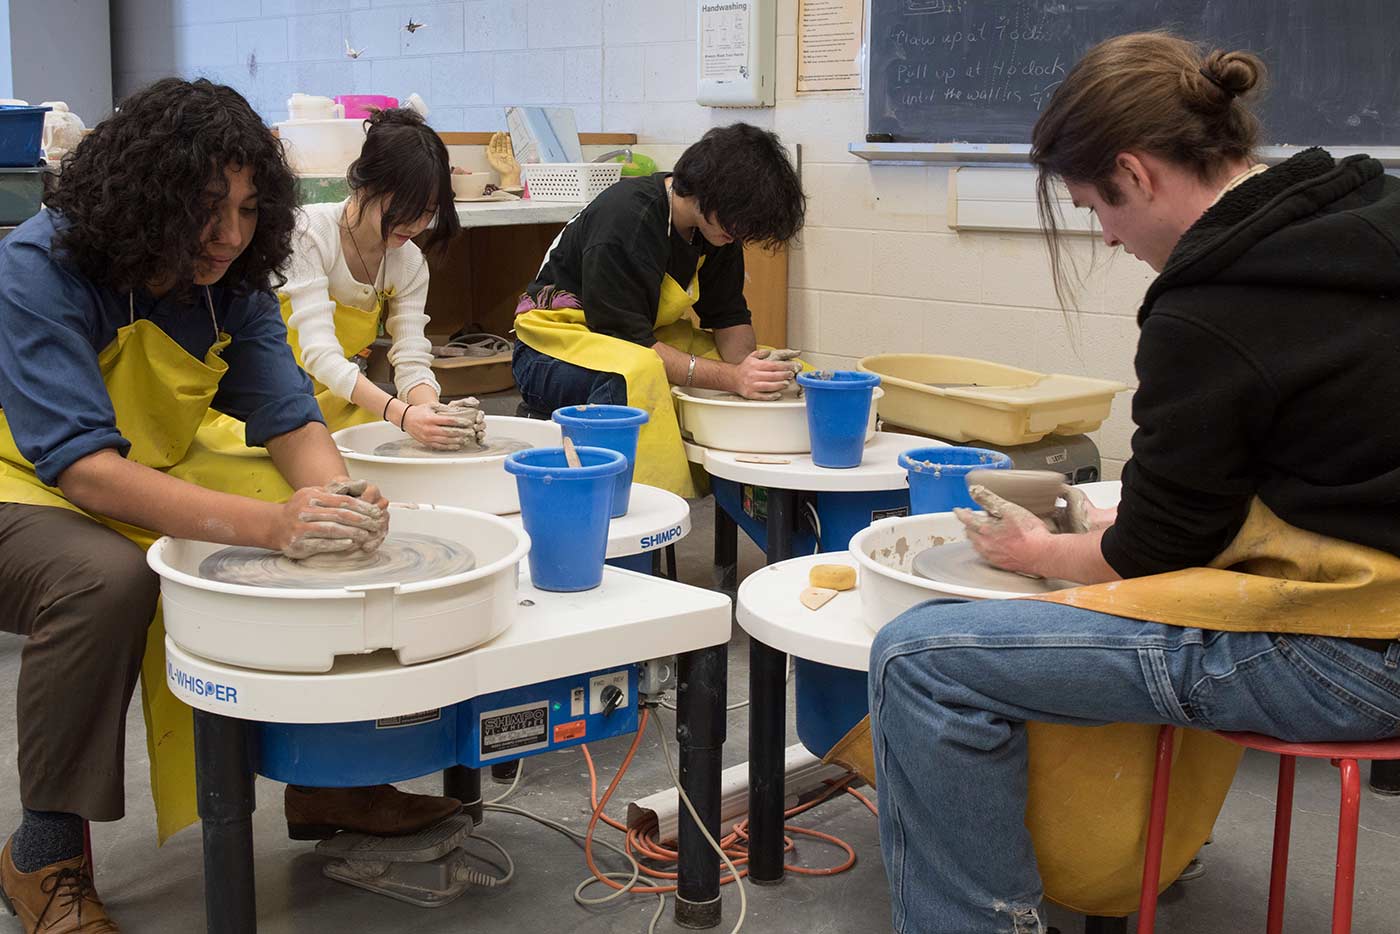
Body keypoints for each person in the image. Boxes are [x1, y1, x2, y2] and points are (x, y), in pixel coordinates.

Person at [865, 34, 1400, 933]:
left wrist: (1039, 551)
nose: (1107, 238)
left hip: (1358, 656)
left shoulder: (1213, 307)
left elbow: (1156, 550)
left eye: (1096, 209)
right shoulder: (1369, 212)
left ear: (1136, 173)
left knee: (921, 660)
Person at [0, 79, 399, 932]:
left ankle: (336, 784)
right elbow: (83, 470)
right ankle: (43, 852)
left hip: (147, 458)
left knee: (331, 530)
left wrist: (339, 500)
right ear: (146, 195)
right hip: (22, 477)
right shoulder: (42, 265)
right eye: (207, 208)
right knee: (101, 582)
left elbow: (288, 417)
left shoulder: (232, 278)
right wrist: (272, 525)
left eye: (251, 209)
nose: (229, 235)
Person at [511, 123, 807, 497]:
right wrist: (733, 379)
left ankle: (755, 499)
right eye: (739, 222)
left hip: (637, 336)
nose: (741, 235)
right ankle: (630, 506)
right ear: (710, 192)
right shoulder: (627, 217)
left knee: (789, 377)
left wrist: (755, 371)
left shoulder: (719, 228)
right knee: (637, 375)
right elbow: (627, 341)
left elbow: (728, 317)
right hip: (551, 350)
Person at [278, 108, 482, 449]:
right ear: (366, 184)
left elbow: (411, 357)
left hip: (340, 401)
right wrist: (402, 415)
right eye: (404, 207)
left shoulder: (409, 261)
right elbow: (320, 355)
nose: (415, 224)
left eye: (427, 212)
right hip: (275, 399)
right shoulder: (309, 234)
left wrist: (433, 413)